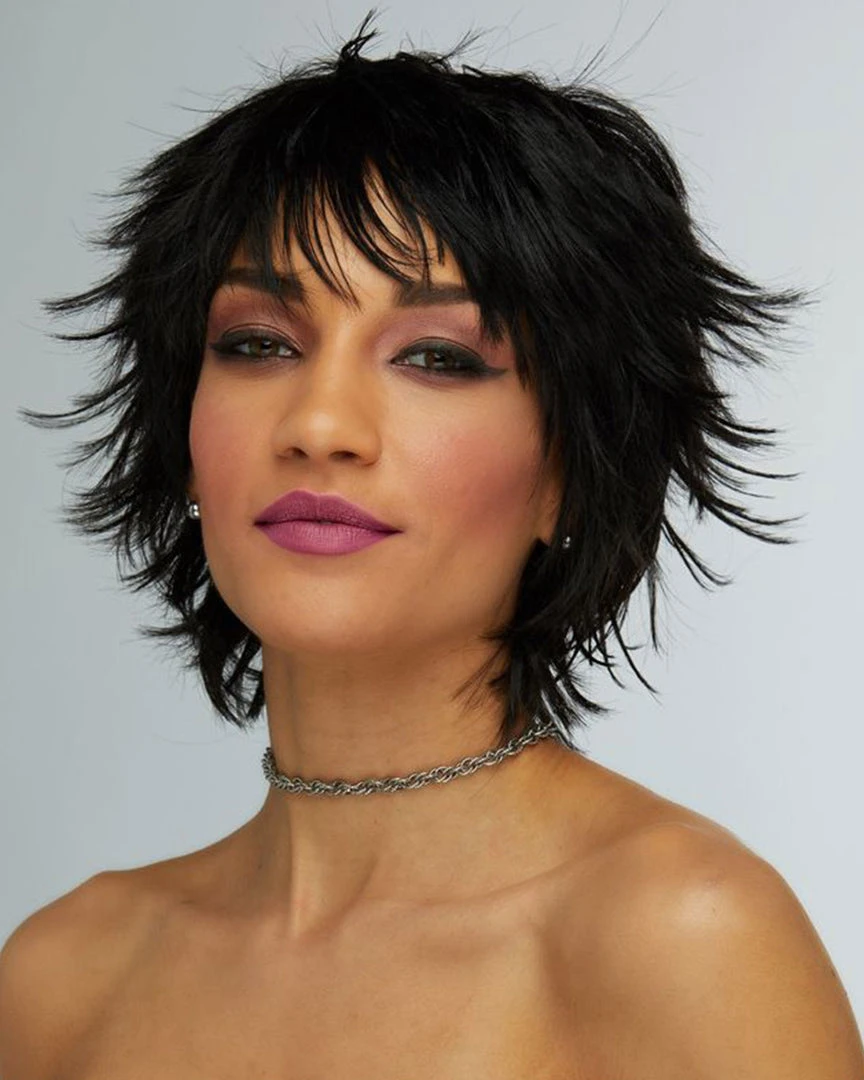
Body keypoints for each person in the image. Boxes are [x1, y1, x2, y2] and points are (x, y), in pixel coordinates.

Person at [2, 17, 862, 1079]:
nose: (321, 424)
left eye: (438, 358)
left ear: (571, 468)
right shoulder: (64, 976)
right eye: (258, 344)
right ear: (184, 432)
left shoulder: (684, 939)